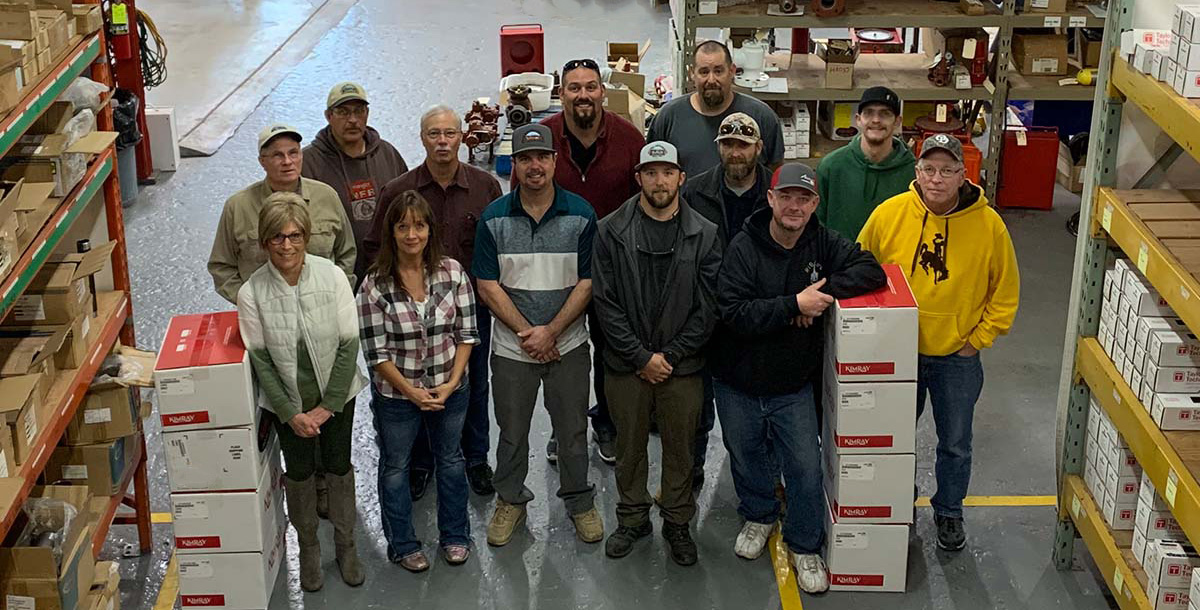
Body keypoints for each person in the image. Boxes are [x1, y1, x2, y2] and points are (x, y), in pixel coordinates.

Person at [711, 163, 886, 593]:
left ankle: (805, 544)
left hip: (792, 384)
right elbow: (733, 312)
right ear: (770, 199)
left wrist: (818, 297)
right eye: (786, 196)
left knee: (805, 467)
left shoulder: (822, 242)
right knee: (746, 455)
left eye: (804, 198)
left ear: (815, 203)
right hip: (737, 380)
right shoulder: (743, 247)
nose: (794, 206)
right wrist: (793, 305)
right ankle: (759, 515)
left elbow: (871, 270)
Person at [858, 134, 1019, 552]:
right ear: (917, 172)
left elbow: (1005, 294)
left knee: (955, 443)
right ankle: (900, 501)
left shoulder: (989, 226)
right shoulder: (890, 214)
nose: (936, 179)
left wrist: (975, 342)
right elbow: (859, 265)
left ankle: (949, 510)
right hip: (898, 354)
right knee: (894, 440)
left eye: (947, 170)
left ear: (963, 176)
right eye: (929, 169)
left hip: (956, 358)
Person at [473, 124, 603, 547]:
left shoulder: (581, 214)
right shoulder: (494, 218)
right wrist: (528, 333)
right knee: (512, 433)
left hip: (568, 346)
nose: (535, 166)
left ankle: (579, 501)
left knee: (572, 431)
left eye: (542, 157)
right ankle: (510, 499)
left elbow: (588, 282)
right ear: (514, 164)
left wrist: (552, 331)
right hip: (512, 350)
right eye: (525, 158)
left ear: (554, 161)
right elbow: (487, 285)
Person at [593, 141, 721, 566]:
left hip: (682, 367)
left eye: (668, 172)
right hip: (625, 366)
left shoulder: (705, 234)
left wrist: (670, 355)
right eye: (651, 172)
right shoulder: (610, 230)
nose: (659, 181)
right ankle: (632, 519)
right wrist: (639, 357)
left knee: (680, 448)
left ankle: (678, 522)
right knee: (628, 448)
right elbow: (605, 302)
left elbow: (708, 307)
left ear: (681, 178)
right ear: (639, 179)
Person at [366, 105, 503, 499]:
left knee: (473, 384)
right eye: (434, 134)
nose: (442, 142)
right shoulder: (398, 191)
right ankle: (422, 462)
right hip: (411, 312)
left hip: (471, 310)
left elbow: (498, 248)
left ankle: (476, 458)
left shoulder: (485, 188)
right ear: (422, 138)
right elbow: (375, 249)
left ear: (462, 137)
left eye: (449, 133)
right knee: (416, 385)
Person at [236, 194, 367, 592]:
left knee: (338, 467)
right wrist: (290, 413)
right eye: (277, 237)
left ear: (306, 237)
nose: (287, 245)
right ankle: (308, 548)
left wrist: (329, 406)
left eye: (295, 236)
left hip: (337, 397)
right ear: (265, 242)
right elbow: (262, 361)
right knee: (300, 474)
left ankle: (346, 545)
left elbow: (349, 345)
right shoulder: (251, 293)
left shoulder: (333, 277)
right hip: (288, 405)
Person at [358, 190, 479, 571]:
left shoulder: (453, 273)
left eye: (420, 226)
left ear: (430, 230)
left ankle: (456, 536)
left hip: (449, 388)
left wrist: (452, 383)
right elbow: (376, 353)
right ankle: (403, 544)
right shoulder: (374, 285)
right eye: (403, 226)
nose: (412, 235)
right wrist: (411, 392)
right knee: (396, 467)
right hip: (397, 395)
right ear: (391, 232)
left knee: (451, 460)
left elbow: (466, 334)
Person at [538, 58, 645, 465]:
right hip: (556, 268)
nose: (583, 95)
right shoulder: (543, 137)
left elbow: (644, 205)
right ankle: (563, 425)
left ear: (603, 92)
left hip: (614, 269)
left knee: (611, 351)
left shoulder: (629, 139)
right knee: (560, 352)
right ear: (561, 93)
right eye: (574, 87)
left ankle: (607, 422)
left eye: (590, 87)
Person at [677, 111, 772, 488]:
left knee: (756, 408)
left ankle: (763, 480)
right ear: (718, 147)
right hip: (705, 315)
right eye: (728, 144)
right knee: (696, 407)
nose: (735, 152)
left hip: (757, 317)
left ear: (758, 148)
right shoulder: (694, 192)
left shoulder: (775, 193)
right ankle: (691, 471)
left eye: (743, 145)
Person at [209, 123, 356, 303]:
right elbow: (221, 266)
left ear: (301, 155)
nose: (287, 161)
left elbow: (347, 253)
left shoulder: (327, 196)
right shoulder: (238, 207)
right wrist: (250, 302)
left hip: (323, 307)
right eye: (277, 155)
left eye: (293, 153)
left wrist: (337, 294)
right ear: (262, 161)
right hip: (263, 313)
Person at [302, 82, 408, 286]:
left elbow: (410, 208)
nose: (352, 120)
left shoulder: (387, 154)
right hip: (332, 279)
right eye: (343, 112)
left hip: (387, 274)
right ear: (328, 116)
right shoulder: (308, 163)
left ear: (367, 114)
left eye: (359, 111)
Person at [647, 40, 784, 176]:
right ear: (692, 74)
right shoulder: (668, 118)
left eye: (718, 71)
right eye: (704, 72)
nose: (711, 80)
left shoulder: (762, 117)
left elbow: (775, 174)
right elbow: (651, 172)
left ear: (732, 71)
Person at [816, 86, 915, 240]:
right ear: (858, 120)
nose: (876, 120)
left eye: (885, 114)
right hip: (839, 255)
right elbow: (816, 225)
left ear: (897, 121)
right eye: (869, 113)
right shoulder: (831, 167)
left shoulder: (913, 172)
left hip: (892, 255)